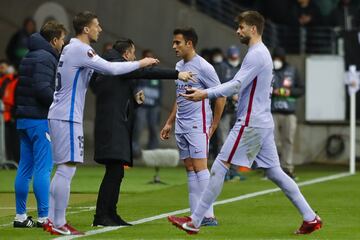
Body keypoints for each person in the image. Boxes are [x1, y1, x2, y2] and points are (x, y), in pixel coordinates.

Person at [168, 11, 322, 235]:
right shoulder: (259, 53)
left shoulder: (257, 54)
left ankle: (196, 220)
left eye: (241, 27)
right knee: (275, 172)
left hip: (251, 122)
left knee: (220, 164)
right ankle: (310, 218)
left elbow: (235, 84)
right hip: (261, 120)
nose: (237, 31)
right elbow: (244, 87)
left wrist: (205, 94)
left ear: (253, 28)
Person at [46, 11, 159, 235]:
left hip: (64, 114)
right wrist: (140, 63)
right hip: (66, 115)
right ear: (86, 29)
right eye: (97, 25)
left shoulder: (71, 48)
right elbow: (111, 69)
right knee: (66, 169)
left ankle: (53, 220)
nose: (100, 29)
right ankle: (57, 222)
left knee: (64, 169)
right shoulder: (79, 49)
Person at [91, 39, 193, 227]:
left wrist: (133, 100)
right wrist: (178, 74)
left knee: (116, 172)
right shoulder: (115, 66)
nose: (135, 58)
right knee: (114, 172)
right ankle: (102, 216)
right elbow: (147, 71)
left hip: (111, 125)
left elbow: (112, 92)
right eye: (133, 54)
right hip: (113, 126)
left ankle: (110, 214)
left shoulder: (105, 67)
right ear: (126, 54)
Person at [160, 28, 226, 227]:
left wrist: (213, 125)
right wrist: (170, 121)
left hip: (198, 124)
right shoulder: (179, 66)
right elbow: (180, 97)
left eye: (177, 43)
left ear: (189, 43)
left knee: (200, 168)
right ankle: (194, 215)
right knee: (189, 168)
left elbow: (221, 96)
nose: (174, 47)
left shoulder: (204, 67)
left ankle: (209, 215)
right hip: (181, 124)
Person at [13, 21, 67, 228]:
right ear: (54, 40)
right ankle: (45, 217)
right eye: (62, 39)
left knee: (24, 169)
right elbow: (42, 89)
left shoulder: (29, 55)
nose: (63, 43)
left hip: (24, 119)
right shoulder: (46, 57)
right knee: (43, 169)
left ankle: (20, 216)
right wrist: (59, 103)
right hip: (39, 120)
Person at [271, 47, 304, 180]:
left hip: (289, 112)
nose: (277, 61)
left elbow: (301, 89)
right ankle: (273, 169)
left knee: (288, 141)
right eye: (275, 58)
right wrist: (273, 91)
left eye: (279, 59)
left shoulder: (292, 70)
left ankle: (287, 168)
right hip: (272, 111)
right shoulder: (269, 70)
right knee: (272, 141)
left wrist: (289, 92)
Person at [132, 49, 162, 158]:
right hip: (142, 107)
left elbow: (160, 90)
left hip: (154, 106)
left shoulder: (156, 73)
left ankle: (152, 152)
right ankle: (134, 150)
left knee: (154, 128)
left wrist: (158, 105)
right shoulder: (138, 71)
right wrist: (138, 104)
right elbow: (134, 88)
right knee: (138, 127)